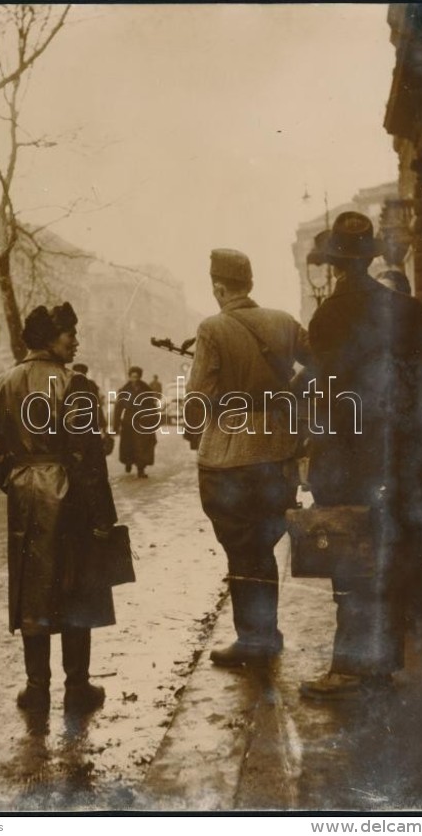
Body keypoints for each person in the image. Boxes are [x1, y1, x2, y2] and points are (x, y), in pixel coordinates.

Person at [300, 212, 422, 701]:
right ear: (367, 259)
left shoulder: (327, 317)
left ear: (334, 266)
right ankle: (382, 663)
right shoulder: (403, 308)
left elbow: (325, 392)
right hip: (397, 456)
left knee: (350, 563)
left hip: (347, 456)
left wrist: (313, 456)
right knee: (388, 558)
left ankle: (348, 668)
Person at [0, 303, 118, 714]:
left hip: (27, 501)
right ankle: (77, 688)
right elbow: (90, 459)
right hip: (72, 499)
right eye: (68, 334)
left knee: (31, 587)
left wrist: (19, 480)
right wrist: (102, 517)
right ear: (47, 340)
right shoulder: (78, 385)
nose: (75, 340)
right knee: (76, 588)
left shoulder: (2, 384)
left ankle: (36, 688)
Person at [187, 248, 310, 667]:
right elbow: (323, 364)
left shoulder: (212, 327)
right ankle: (265, 633)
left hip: (230, 458)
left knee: (241, 551)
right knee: (262, 546)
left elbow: (197, 400)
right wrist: (287, 393)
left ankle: (253, 640)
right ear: (250, 284)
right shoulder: (283, 322)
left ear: (219, 287)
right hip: (278, 455)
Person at [114, 366, 159, 479]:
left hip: (142, 421)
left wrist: (153, 421)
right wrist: (116, 425)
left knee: (142, 446)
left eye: (137, 377)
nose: (135, 379)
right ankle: (128, 462)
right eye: (132, 376)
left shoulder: (146, 389)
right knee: (129, 445)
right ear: (129, 377)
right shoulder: (124, 390)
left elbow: (152, 406)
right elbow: (118, 408)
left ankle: (141, 469)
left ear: (140, 377)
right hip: (128, 422)